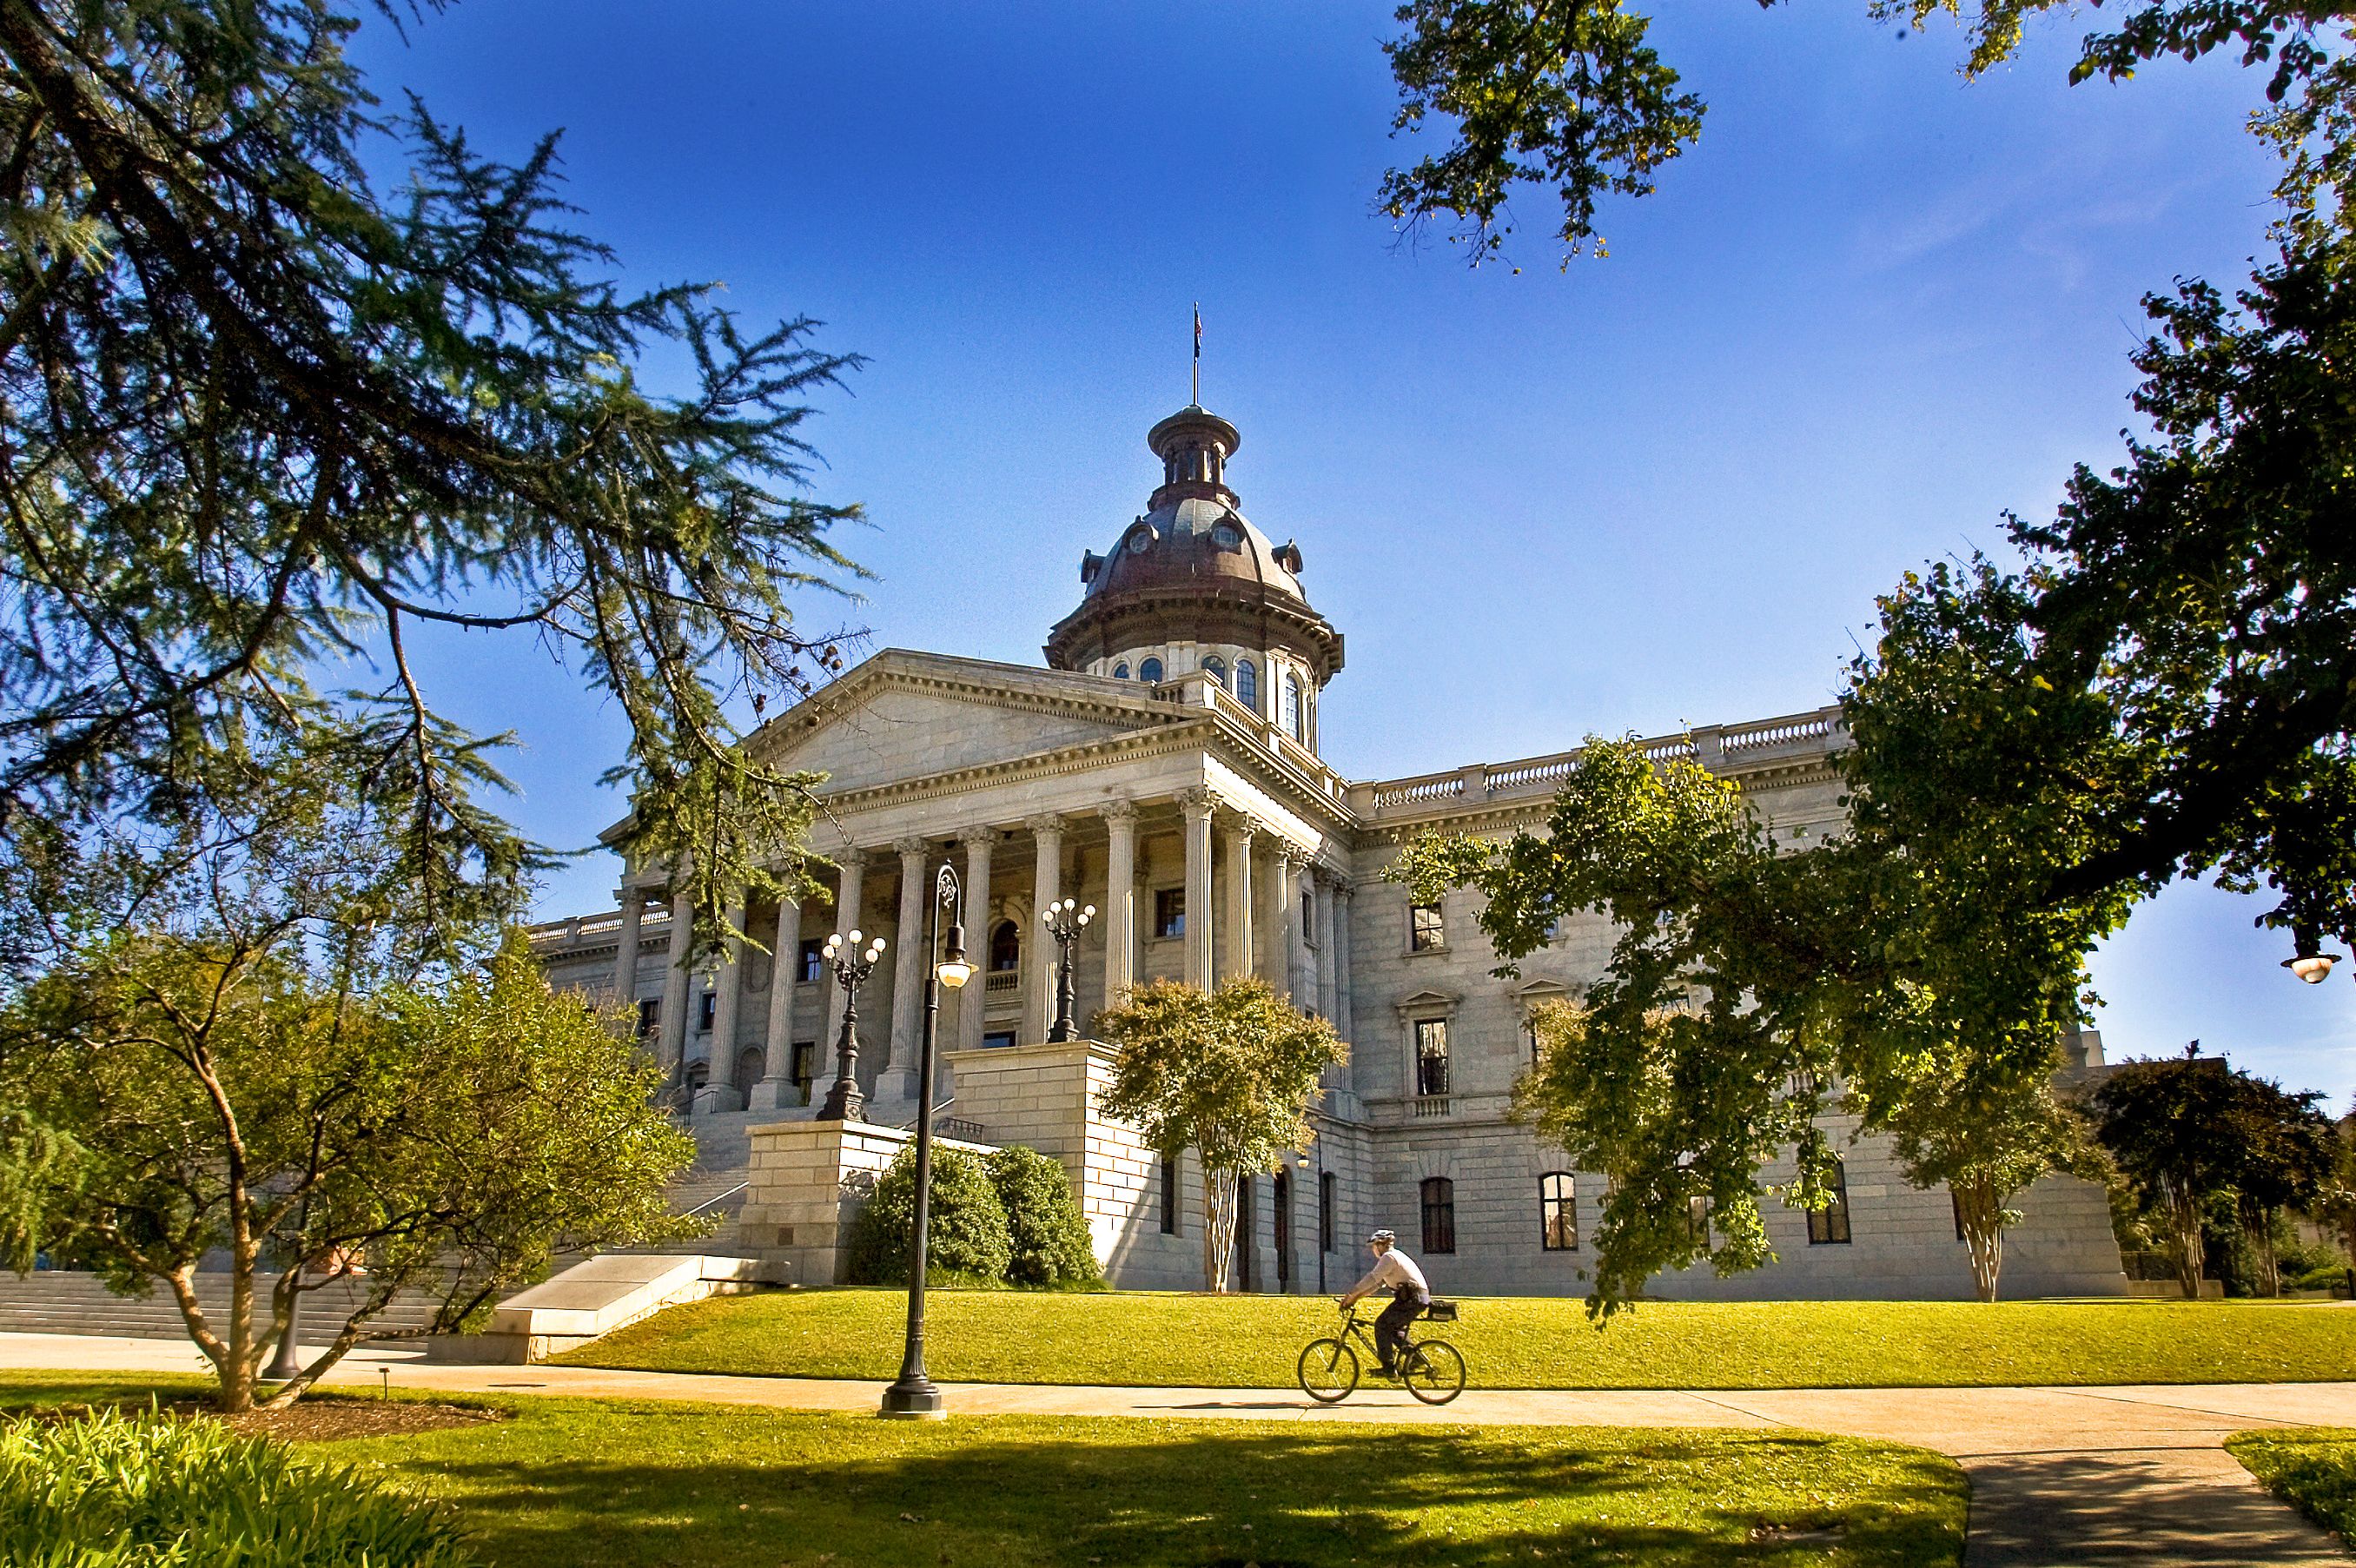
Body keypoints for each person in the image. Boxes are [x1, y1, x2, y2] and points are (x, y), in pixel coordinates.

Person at [1338, 1228, 1430, 1377]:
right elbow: (1375, 1285)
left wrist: (1350, 1294)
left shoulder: (1389, 1258)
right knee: (1391, 1328)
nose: (1373, 1250)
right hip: (1417, 1298)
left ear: (1380, 1245)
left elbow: (1371, 1278)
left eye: (1374, 1246)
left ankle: (1388, 1368)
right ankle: (1415, 1357)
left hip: (1411, 1299)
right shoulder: (1395, 1256)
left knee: (1381, 1324)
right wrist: (1354, 1298)